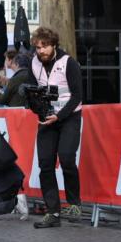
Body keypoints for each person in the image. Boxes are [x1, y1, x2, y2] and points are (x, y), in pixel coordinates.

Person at [31, 27, 83, 228]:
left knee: (67, 158)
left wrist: (59, 116)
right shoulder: (34, 63)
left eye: (44, 47)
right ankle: (52, 212)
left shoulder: (68, 63)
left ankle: (74, 203)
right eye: (37, 47)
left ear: (54, 45)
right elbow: (31, 87)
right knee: (45, 163)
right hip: (46, 119)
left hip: (69, 116)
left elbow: (77, 96)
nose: (40, 51)